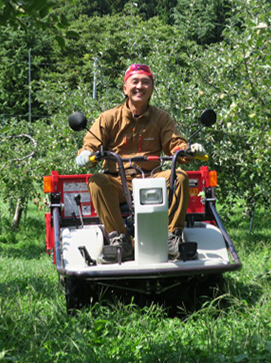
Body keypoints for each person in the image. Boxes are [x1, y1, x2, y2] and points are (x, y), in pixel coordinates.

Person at [75, 63, 206, 264]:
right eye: (134, 82)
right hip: (119, 181)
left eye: (146, 82)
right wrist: (86, 154)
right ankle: (120, 240)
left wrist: (188, 150)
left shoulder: (161, 118)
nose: (140, 86)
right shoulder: (108, 118)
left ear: (152, 88)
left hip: (153, 179)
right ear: (125, 88)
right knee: (97, 181)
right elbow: (91, 143)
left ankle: (171, 237)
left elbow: (175, 144)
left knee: (179, 176)